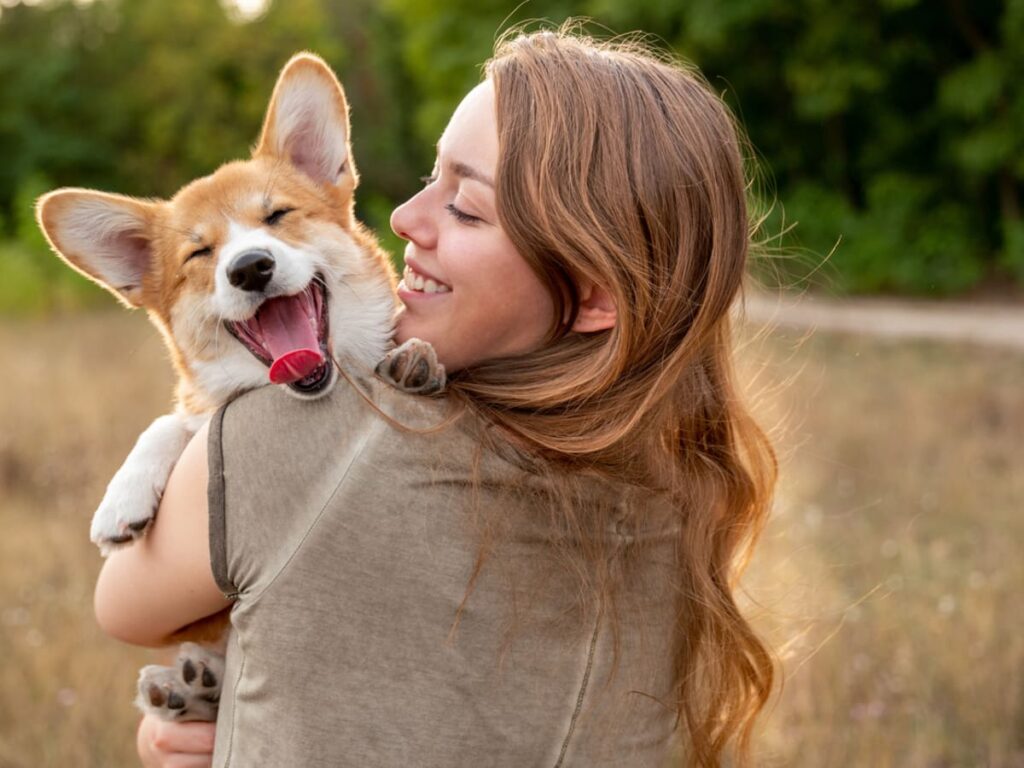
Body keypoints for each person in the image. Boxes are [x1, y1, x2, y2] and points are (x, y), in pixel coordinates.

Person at [95, 27, 777, 768]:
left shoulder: (290, 442)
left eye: (468, 208)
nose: (402, 218)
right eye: (431, 176)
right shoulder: (681, 490)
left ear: (590, 293)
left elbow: (121, 607)